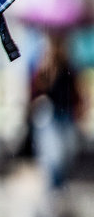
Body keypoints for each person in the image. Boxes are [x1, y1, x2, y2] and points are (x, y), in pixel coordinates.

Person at [30, 34, 83, 190]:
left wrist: (79, 106)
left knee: (67, 152)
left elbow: (75, 91)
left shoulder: (69, 66)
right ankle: (54, 188)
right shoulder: (44, 67)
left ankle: (59, 184)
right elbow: (36, 91)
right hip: (50, 115)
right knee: (53, 153)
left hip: (67, 114)